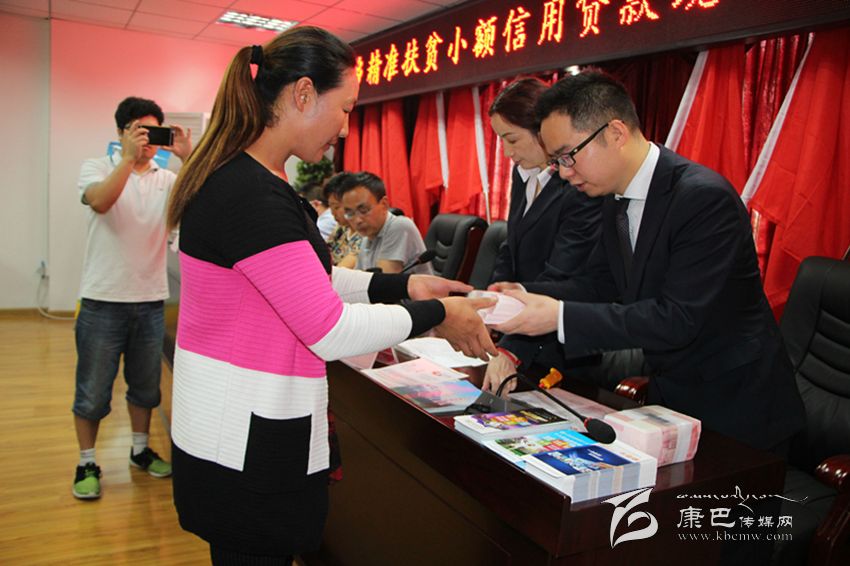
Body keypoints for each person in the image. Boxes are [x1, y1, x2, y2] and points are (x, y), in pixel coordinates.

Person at [165, 27, 496, 565]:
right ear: (302, 94)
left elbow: (302, 278)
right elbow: (328, 328)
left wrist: (404, 285)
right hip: (243, 440)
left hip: (236, 426)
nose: (344, 128)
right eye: (344, 109)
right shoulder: (250, 195)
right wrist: (437, 314)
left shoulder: (251, 178)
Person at [492, 70, 805, 453]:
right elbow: (600, 283)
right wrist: (525, 294)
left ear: (615, 133)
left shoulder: (703, 199)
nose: (565, 172)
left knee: (729, 497)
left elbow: (678, 318)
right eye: (557, 161)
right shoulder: (613, 198)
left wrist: (558, 317)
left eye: (568, 155)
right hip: (672, 398)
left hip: (739, 407)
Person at [72, 96, 192, 500]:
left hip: (150, 301)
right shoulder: (96, 167)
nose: (149, 140)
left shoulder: (167, 179)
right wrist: (127, 159)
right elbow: (100, 201)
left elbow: (202, 201)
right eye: (141, 131)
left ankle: (140, 450)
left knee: (145, 387)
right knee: (92, 391)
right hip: (102, 301)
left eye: (155, 132)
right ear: (121, 132)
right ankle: (87, 461)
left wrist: (187, 157)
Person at [482, 78, 602, 391]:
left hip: (558, 347)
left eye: (512, 139)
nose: (507, 152)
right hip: (515, 333)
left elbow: (562, 275)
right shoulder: (523, 174)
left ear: (543, 131)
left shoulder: (579, 184)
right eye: (501, 141)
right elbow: (510, 247)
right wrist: (492, 304)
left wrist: (511, 348)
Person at [340, 171, 433, 274]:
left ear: (384, 204)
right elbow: (360, 277)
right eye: (350, 213)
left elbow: (384, 279)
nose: (357, 220)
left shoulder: (399, 226)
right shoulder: (367, 236)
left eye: (363, 210)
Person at [323, 172, 362, 268]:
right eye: (330, 207)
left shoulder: (365, 233)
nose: (332, 213)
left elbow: (343, 268)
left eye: (336, 207)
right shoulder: (341, 228)